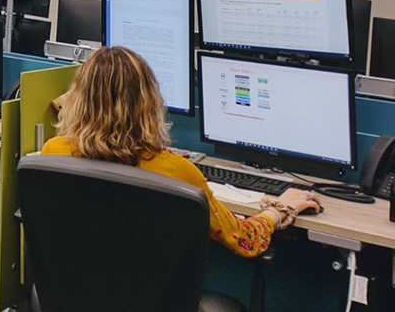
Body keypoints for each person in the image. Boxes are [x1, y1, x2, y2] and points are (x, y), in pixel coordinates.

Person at [42, 46, 321, 258]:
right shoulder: (176, 171)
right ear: (150, 104)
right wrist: (280, 209)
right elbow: (245, 241)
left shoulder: (54, 154)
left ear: (77, 98)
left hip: (74, 303)